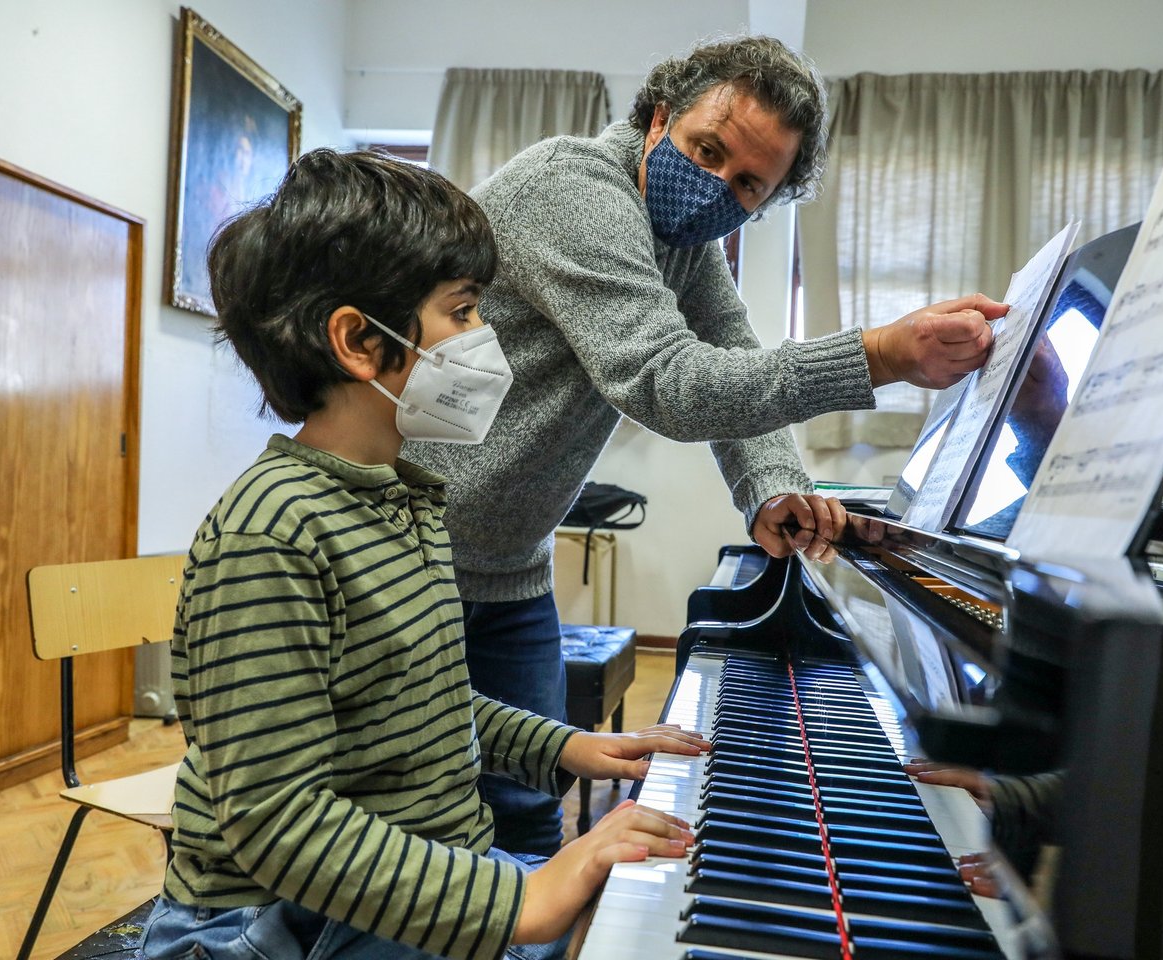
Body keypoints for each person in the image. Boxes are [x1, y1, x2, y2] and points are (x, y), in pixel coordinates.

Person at [401, 35, 1009, 857]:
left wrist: (773, 487)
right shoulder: (573, 186)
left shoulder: (682, 243)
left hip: (508, 567)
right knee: (419, 818)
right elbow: (669, 381)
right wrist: (879, 355)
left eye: (748, 183)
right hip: (409, 557)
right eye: (707, 150)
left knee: (528, 816)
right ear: (659, 118)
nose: (718, 185)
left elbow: (731, 356)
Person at [139, 148, 709, 960]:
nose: (487, 337)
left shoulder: (402, 498)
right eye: (466, 310)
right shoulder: (272, 534)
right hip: (281, 925)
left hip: (412, 878)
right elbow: (277, 823)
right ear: (359, 344)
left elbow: (420, 700)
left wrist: (569, 747)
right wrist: (525, 898)